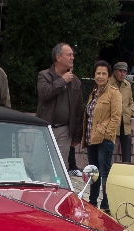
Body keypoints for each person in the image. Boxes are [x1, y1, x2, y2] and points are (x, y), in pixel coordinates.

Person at [37, 43, 83, 178]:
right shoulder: (44, 75)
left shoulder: (76, 82)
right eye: (69, 55)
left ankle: (56, 196)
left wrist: (76, 135)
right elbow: (44, 94)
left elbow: (79, 110)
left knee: (60, 169)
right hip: (44, 128)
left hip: (65, 131)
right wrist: (62, 81)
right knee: (38, 168)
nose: (72, 58)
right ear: (58, 57)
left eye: (72, 55)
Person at [81, 60, 121, 211]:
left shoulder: (114, 93)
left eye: (104, 73)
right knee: (93, 172)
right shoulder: (93, 93)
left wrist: (107, 134)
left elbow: (116, 117)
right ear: (94, 75)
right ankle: (92, 203)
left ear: (108, 76)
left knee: (104, 172)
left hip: (104, 139)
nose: (101, 76)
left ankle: (106, 205)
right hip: (91, 137)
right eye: (98, 73)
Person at [112, 62, 134, 163]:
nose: (122, 73)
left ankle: (127, 168)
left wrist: (129, 112)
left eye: (124, 71)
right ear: (115, 71)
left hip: (125, 121)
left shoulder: (127, 84)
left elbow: (131, 102)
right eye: (120, 71)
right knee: (108, 147)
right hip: (111, 121)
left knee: (127, 147)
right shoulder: (108, 83)